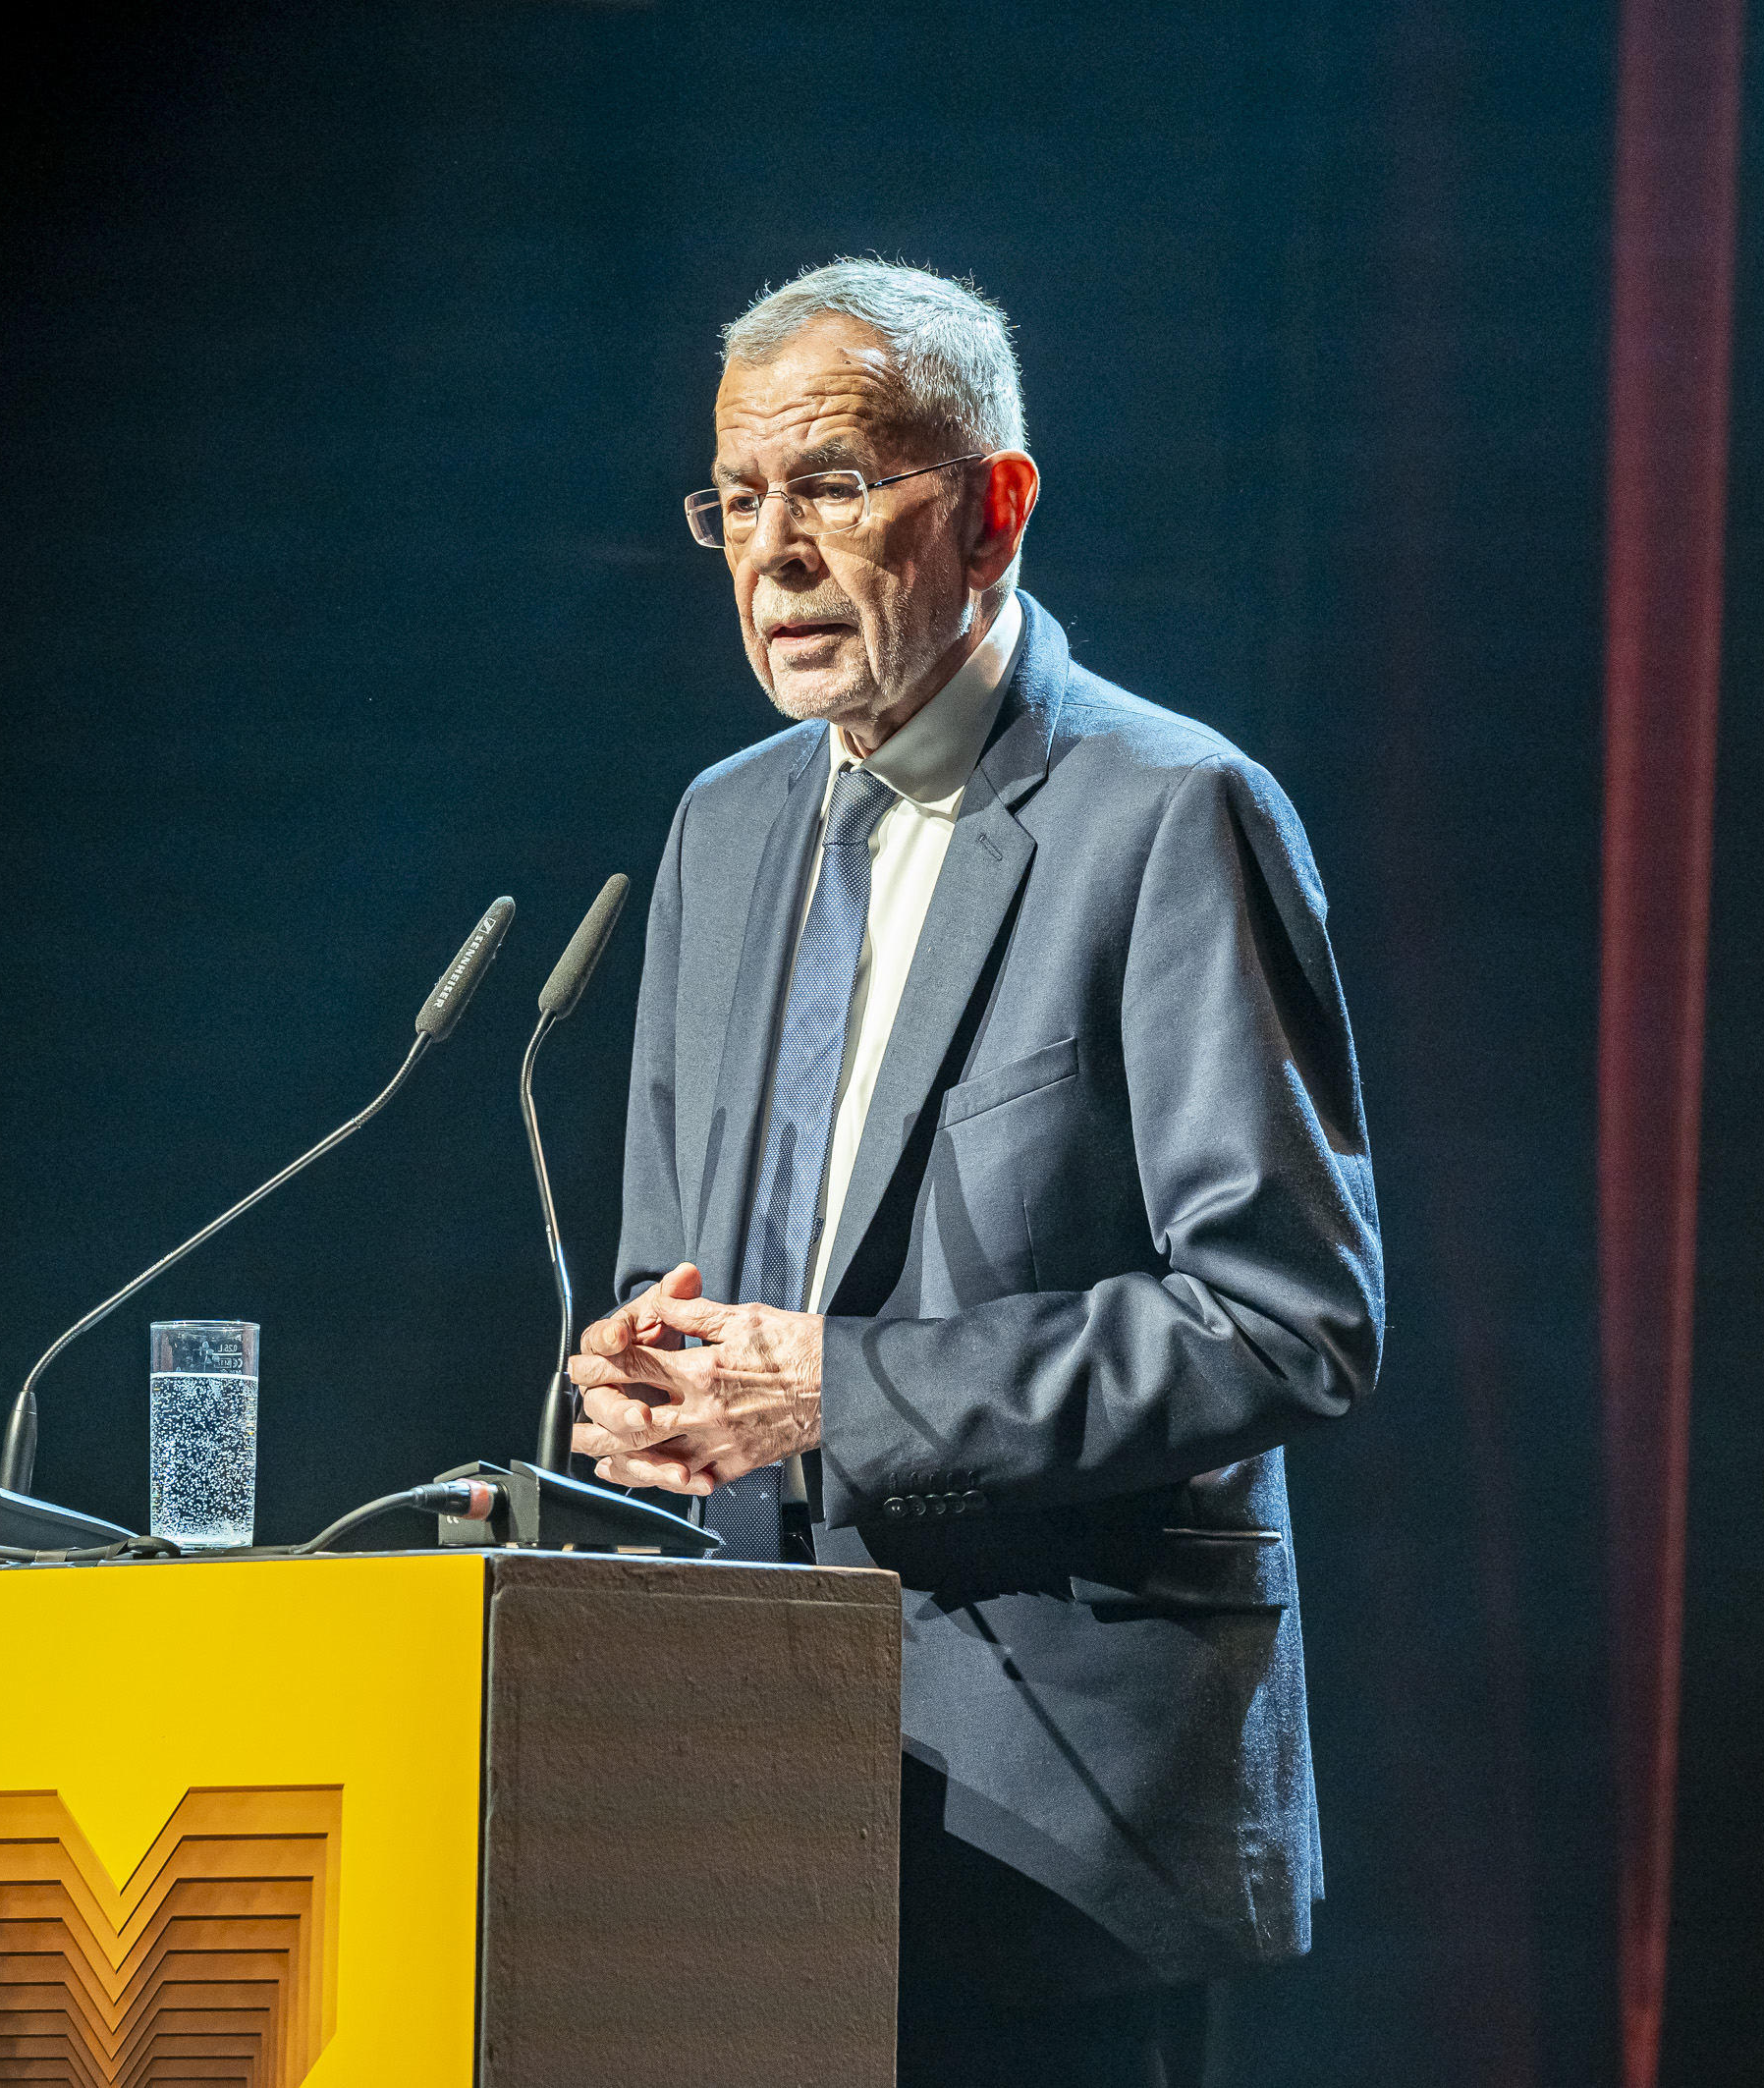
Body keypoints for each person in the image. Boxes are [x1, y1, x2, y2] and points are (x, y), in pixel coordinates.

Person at [567, 259, 1386, 2088]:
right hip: (727, 1793)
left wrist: (837, 1392)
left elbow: (1286, 1321)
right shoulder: (725, 823)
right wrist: (645, 1379)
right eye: (739, 498)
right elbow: (681, 1272)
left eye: (836, 482)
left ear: (996, 503)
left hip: (1065, 1814)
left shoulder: (1168, 813)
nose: (775, 549)